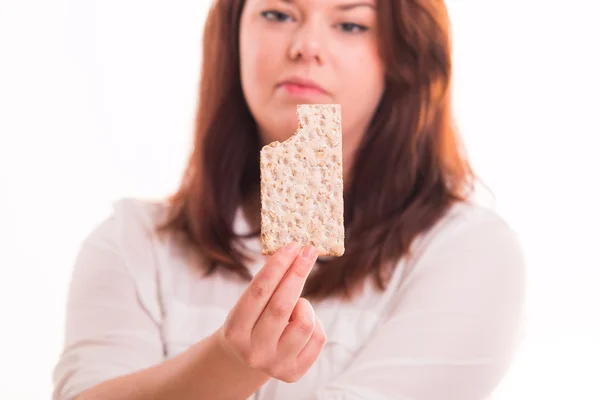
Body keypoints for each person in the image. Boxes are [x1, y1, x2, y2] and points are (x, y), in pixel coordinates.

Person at [52, 0, 526, 399]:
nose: (306, 47)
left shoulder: (466, 252)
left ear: (405, 57)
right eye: (278, 14)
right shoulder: (133, 242)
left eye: (350, 24)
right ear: (232, 33)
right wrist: (228, 363)